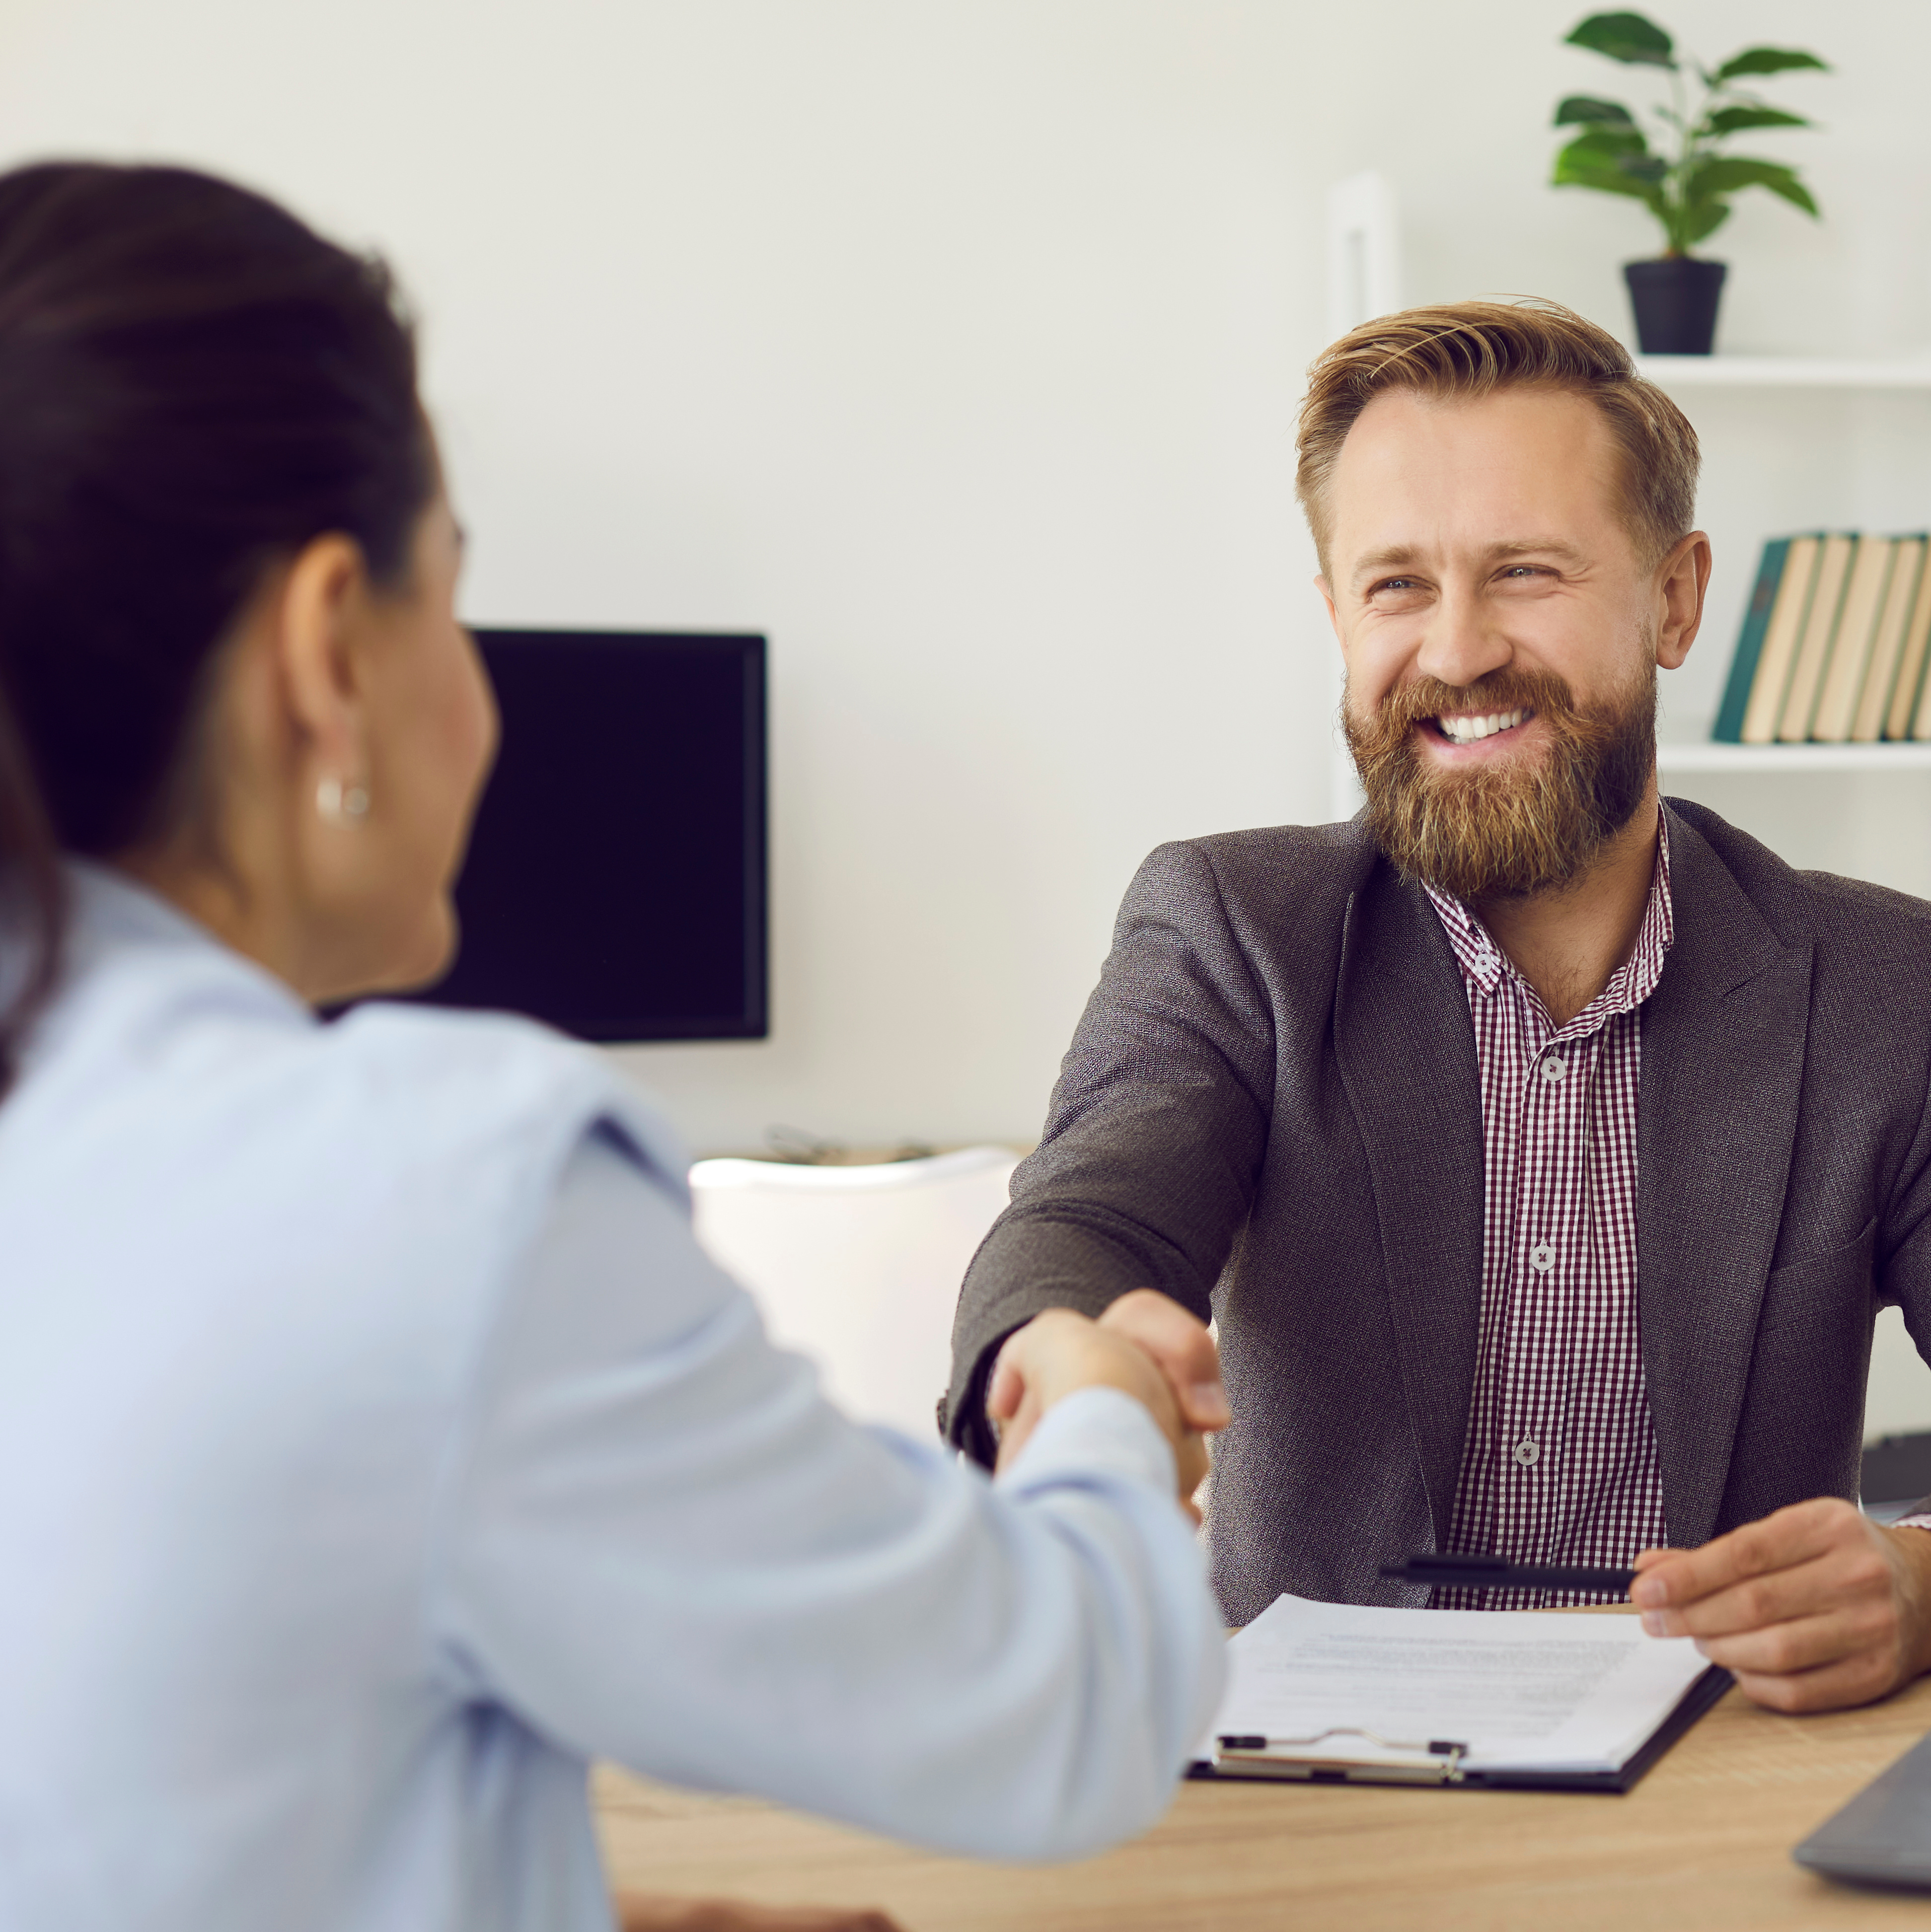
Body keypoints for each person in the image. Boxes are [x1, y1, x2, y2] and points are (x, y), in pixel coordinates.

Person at [0, 162, 1226, 1932]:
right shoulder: (434, 1202)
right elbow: (1057, 1712)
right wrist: (1107, 1416)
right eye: (454, 596)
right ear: (325, 649)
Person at [949, 299, 1931, 1715]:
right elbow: (1083, 1221)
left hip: (1727, 1775)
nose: (1455, 653)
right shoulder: (1234, 931)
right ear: (1335, 612)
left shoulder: (1894, 994)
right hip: (1325, 1782)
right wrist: (1067, 1367)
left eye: (1523, 572)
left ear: (1674, 598)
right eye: (1396, 586)